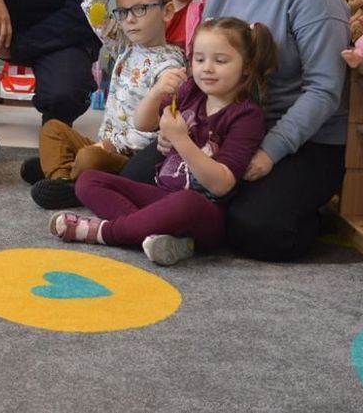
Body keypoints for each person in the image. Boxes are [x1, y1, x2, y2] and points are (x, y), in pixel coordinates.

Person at [121, 0, 351, 261]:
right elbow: (202, 68)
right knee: (134, 180)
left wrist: (268, 153)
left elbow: (324, 91)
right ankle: (204, 219)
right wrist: (175, 126)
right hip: (223, 129)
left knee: (259, 229)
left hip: (302, 142)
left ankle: (311, 215)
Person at [50, 18, 277, 266]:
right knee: (89, 181)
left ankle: (107, 232)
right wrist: (157, 91)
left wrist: (181, 139)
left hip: (205, 211)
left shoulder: (246, 115)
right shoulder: (191, 91)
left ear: (246, 66)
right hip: (163, 193)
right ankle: (155, 234)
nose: (207, 68)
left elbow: (221, 184)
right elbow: (143, 123)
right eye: (199, 60)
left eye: (220, 61)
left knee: (186, 202)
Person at [27, 0, 187, 209]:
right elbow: (101, 23)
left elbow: (157, 131)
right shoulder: (126, 44)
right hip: (104, 144)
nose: (130, 19)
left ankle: (65, 173)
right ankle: (62, 180)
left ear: (167, 12)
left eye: (140, 9)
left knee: (88, 157)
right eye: (123, 12)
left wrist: (115, 145)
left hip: (129, 156)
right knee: (52, 128)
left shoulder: (170, 66)